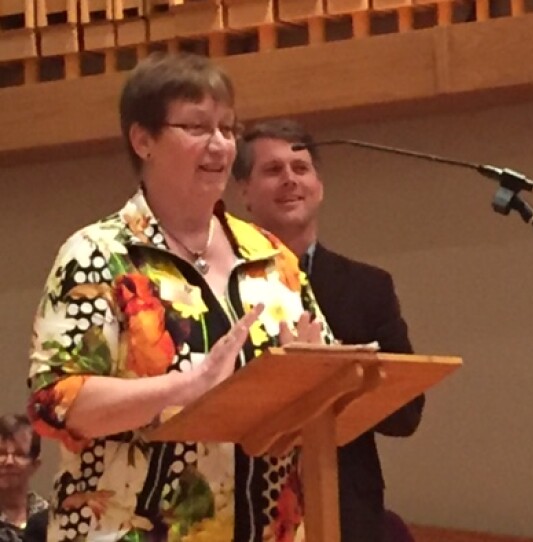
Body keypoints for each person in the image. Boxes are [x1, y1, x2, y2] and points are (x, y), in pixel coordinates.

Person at [27, 52, 331, 542]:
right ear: (143, 139)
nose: (220, 146)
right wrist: (181, 390)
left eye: (228, 129)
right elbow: (57, 402)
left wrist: (318, 374)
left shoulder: (272, 258)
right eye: (196, 127)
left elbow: (323, 389)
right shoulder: (98, 255)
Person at [233, 119, 425, 542]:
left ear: (319, 184)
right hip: (246, 507)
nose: (289, 180)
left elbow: (407, 413)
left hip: (347, 509)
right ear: (243, 191)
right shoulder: (220, 283)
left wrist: (334, 368)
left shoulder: (368, 286)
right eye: (272, 170)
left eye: (300, 168)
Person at [0, 414, 48, 542]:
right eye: (1, 453)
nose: (9, 461)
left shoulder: (51, 519)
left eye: (19, 454)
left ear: (35, 465)